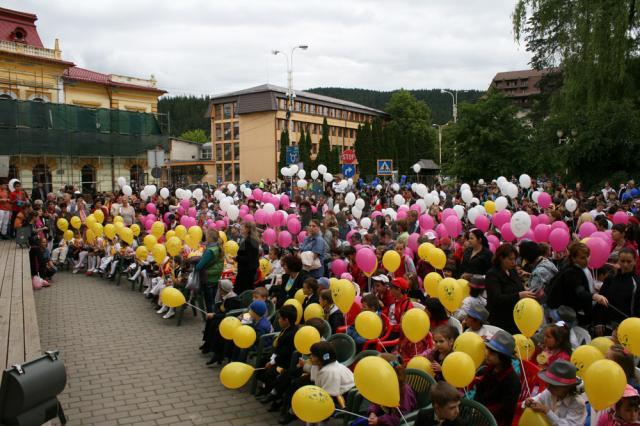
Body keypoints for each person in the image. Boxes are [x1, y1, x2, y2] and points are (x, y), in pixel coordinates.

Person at [548, 242, 604, 327]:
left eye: (587, 256)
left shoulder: (574, 268)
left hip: (565, 311)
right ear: (573, 258)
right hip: (565, 314)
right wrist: (595, 296)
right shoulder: (572, 272)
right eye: (582, 258)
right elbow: (579, 291)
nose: (586, 260)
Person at [474, 330, 521, 426]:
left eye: (492, 353)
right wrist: (476, 406)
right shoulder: (489, 369)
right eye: (488, 350)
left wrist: (483, 412)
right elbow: (480, 390)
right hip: (480, 412)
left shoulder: (512, 381)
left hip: (495, 420)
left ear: (502, 358)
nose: (487, 354)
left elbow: (505, 408)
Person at [485, 244, 535, 334]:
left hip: (516, 316)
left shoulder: (512, 271)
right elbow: (497, 298)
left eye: (514, 259)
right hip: (500, 319)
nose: (514, 262)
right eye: (510, 259)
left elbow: (518, 286)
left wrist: (526, 290)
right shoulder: (492, 274)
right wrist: (519, 295)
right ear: (501, 258)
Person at [305, 341, 355, 425]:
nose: (310, 357)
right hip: (330, 391)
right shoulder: (316, 365)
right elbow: (317, 384)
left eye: (313, 355)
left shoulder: (330, 371)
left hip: (346, 396)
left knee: (318, 406)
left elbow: (328, 396)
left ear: (322, 358)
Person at [361, 353, 417, 426]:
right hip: (382, 417)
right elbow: (376, 402)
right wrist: (373, 412)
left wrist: (380, 420)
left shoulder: (404, 390)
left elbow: (402, 417)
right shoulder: (383, 383)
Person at [525, 360, 587, 425]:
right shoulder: (549, 392)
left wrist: (546, 411)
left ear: (568, 387)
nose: (549, 388)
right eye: (548, 384)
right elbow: (537, 400)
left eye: (554, 386)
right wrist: (529, 402)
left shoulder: (577, 403)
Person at [594, 248, 640, 330]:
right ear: (618, 261)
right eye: (622, 261)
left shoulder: (636, 282)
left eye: (629, 262)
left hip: (628, 327)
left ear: (634, 262)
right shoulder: (610, 279)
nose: (625, 265)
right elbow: (601, 300)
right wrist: (599, 322)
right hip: (607, 325)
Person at [235, 222, 260, 294]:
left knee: (242, 292)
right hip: (250, 271)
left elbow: (248, 258)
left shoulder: (248, 241)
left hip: (245, 272)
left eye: (243, 227)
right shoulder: (253, 240)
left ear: (247, 229)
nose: (241, 228)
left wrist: (236, 258)